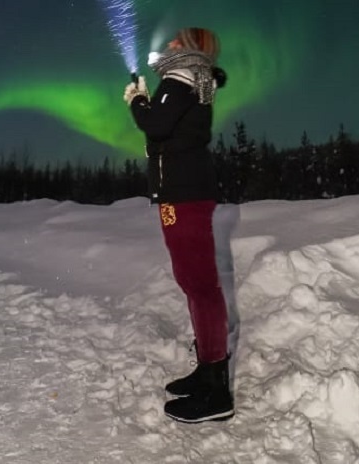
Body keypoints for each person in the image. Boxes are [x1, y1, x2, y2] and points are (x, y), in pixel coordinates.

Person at [125, 27, 233, 423]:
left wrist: (138, 101)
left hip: (184, 194)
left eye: (178, 40)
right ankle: (208, 372)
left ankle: (217, 392)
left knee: (200, 285)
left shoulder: (181, 76)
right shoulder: (190, 79)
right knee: (194, 282)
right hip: (185, 192)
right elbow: (171, 128)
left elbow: (156, 126)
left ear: (191, 48)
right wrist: (150, 102)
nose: (170, 43)